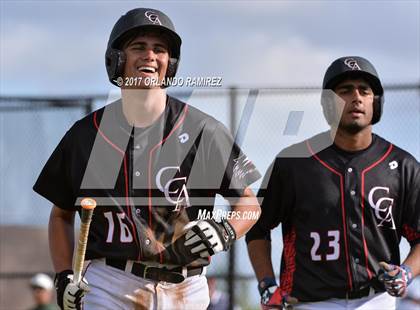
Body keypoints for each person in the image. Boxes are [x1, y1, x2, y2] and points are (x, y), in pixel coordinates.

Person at [33, 7, 261, 310]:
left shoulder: (202, 130)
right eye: (138, 46)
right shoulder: (86, 134)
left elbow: (249, 204)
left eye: (160, 49)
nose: (150, 56)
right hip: (109, 283)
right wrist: (63, 276)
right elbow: (60, 215)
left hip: (187, 286)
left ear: (171, 63)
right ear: (116, 59)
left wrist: (226, 229)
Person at [246, 56, 419, 309]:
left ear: (376, 102)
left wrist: (406, 272)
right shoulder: (293, 163)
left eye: (364, 90)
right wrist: (267, 285)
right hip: (309, 302)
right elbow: (256, 227)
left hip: (377, 300)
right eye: (345, 91)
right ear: (329, 103)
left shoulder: (402, 165)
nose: (356, 98)